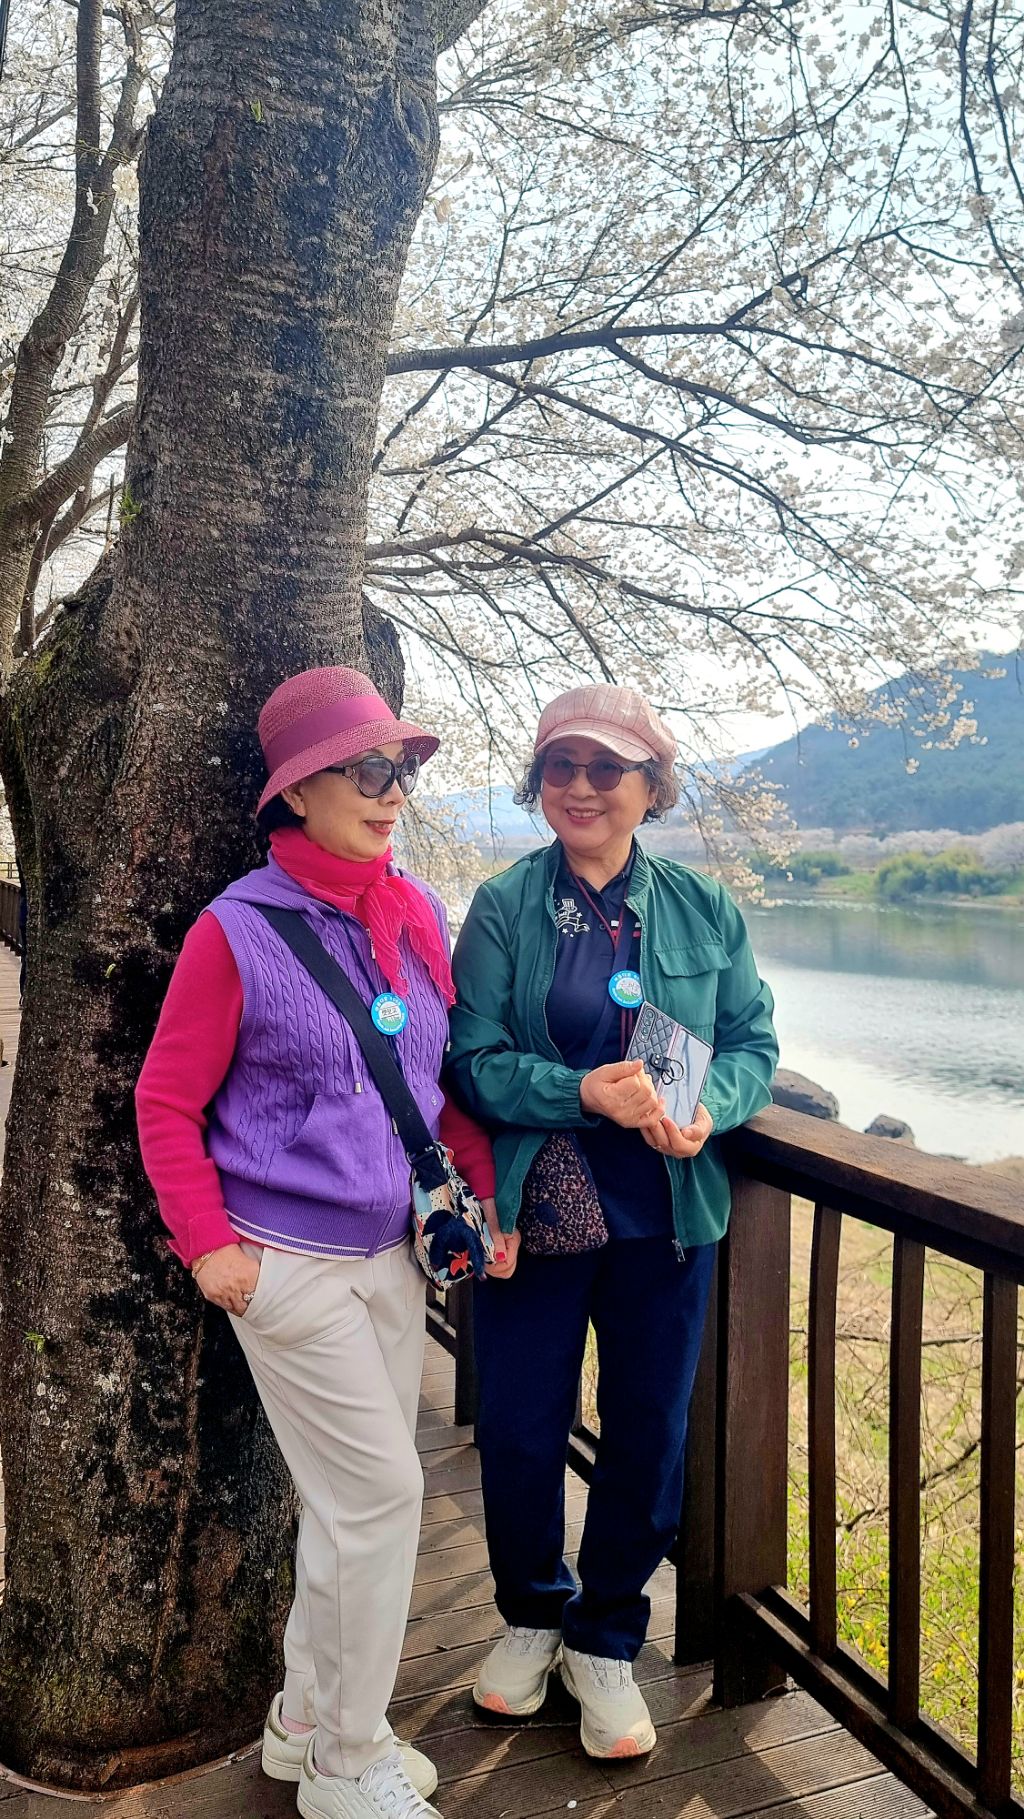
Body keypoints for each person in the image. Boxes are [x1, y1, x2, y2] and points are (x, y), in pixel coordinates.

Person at [137, 666, 497, 1819]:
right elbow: (164, 1100)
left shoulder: (413, 912)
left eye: (402, 771)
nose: (392, 793)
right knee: (381, 1498)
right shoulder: (237, 932)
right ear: (296, 791)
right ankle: (348, 1762)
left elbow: (434, 1082)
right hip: (285, 1266)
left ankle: (304, 1724)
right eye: (366, 770)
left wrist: (481, 1198)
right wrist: (207, 1245)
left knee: (352, 1507)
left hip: (395, 1255)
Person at [447, 683, 778, 1761]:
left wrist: (712, 1107)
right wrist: (578, 1091)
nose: (581, 787)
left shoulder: (704, 906)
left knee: (647, 1431)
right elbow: (470, 1059)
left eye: (607, 768)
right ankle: (530, 1615)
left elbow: (752, 1043)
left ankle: (605, 1639)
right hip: (537, 1213)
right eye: (561, 766)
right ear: (539, 782)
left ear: (651, 786)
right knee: (519, 1425)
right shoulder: (506, 905)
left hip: (666, 1219)